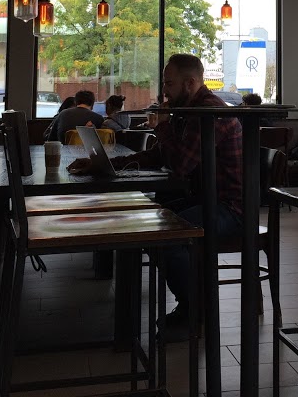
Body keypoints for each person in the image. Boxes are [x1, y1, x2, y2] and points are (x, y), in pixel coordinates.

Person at [68, 54, 242, 341]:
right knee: (144, 220)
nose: (164, 91)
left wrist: (161, 125)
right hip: (201, 198)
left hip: (229, 207)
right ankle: (183, 306)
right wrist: (109, 165)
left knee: (165, 235)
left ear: (190, 83)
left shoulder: (210, 113)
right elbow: (159, 155)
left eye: (169, 84)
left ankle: (194, 312)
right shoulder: (187, 111)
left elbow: (181, 164)